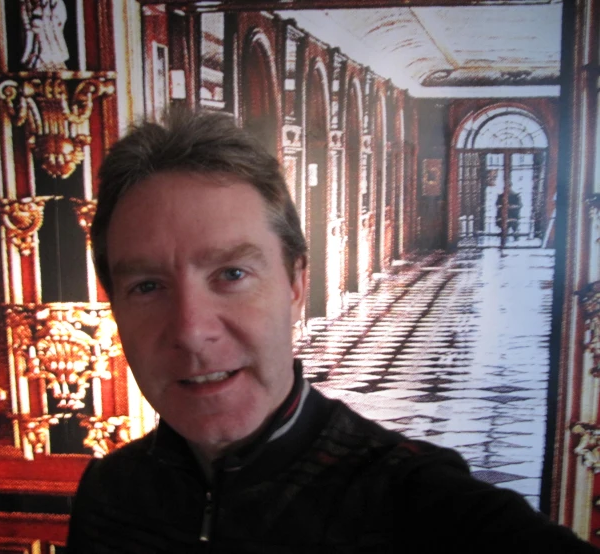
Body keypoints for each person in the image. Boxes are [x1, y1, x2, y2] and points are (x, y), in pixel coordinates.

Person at [66, 110, 598, 553]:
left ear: (297, 283)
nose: (190, 331)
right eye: (147, 286)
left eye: (231, 275)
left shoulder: (419, 506)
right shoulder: (109, 495)